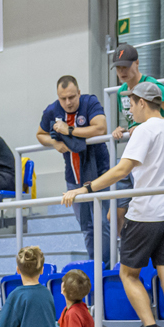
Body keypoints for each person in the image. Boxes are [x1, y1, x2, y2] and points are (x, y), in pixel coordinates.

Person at [60, 80, 164, 327]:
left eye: (131, 105)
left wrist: (86, 188)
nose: (130, 111)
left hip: (146, 213)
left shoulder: (144, 130)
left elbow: (122, 169)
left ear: (143, 103)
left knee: (127, 274)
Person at [38, 75, 110, 254]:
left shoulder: (90, 102)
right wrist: (54, 142)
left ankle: (107, 265)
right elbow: (40, 134)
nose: (68, 102)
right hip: (73, 177)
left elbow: (101, 128)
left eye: (71, 97)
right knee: (86, 226)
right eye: (63, 98)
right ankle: (94, 263)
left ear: (79, 92)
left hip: (99, 173)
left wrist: (69, 130)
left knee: (103, 223)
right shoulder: (52, 110)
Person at [110, 44, 164, 213]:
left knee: (145, 206)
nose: (121, 71)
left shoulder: (152, 86)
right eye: (118, 67)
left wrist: (146, 126)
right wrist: (122, 129)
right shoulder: (122, 91)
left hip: (154, 152)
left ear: (137, 63)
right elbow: (134, 121)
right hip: (135, 149)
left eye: (125, 66)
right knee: (115, 213)